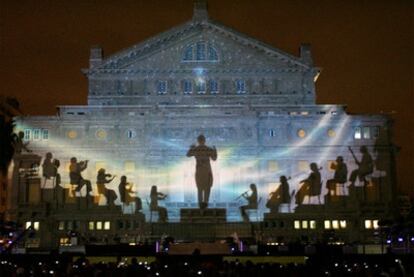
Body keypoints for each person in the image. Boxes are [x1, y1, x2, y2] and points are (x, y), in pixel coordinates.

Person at [186, 134, 217, 209]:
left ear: (198, 141)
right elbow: (214, 158)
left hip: (199, 170)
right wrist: (215, 150)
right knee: (207, 188)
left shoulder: (196, 149)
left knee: (199, 188)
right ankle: (205, 203)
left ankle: (200, 204)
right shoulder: (208, 149)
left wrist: (191, 148)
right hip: (207, 170)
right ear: (204, 140)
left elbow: (188, 155)